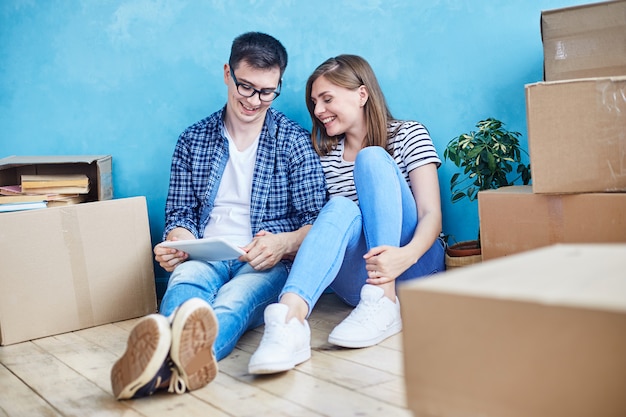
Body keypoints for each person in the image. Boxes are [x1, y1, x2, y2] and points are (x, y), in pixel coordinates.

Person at [110, 32, 327, 399]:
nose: (255, 101)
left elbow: (318, 221)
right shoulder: (192, 140)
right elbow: (180, 213)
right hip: (206, 251)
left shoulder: (294, 141)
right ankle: (174, 367)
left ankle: (158, 365)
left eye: (267, 91)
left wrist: (284, 243)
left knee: (234, 302)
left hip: (263, 260)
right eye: (246, 87)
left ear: (277, 87)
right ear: (228, 73)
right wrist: (178, 241)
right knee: (185, 285)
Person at [248, 54, 445, 374]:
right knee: (338, 207)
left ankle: (384, 300)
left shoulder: (409, 134)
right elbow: (327, 228)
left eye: (327, 99)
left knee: (371, 159)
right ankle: (288, 320)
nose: (318, 111)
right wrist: (283, 241)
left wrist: (403, 256)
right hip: (358, 284)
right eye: (314, 102)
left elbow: (430, 214)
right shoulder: (322, 157)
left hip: (414, 266)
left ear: (362, 94)